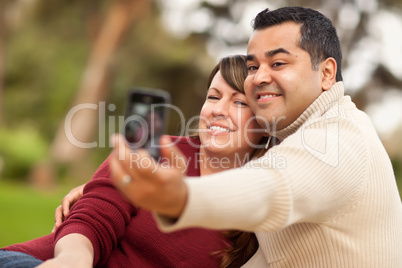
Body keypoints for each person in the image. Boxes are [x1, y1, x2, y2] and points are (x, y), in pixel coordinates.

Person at [109, 6, 402, 267]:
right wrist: (110, 192)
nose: (259, 77)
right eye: (253, 66)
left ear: (326, 73)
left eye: (278, 63)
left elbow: (275, 187)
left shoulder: (341, 136)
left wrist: (181, 197)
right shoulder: (290, 138)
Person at [0, 55, 269, 268]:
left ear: (266, 124)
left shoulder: (267, 202)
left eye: (240, 103)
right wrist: (73, 260)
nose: (218, 110)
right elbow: (94, 218)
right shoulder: (158, 151)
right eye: (213, 96)